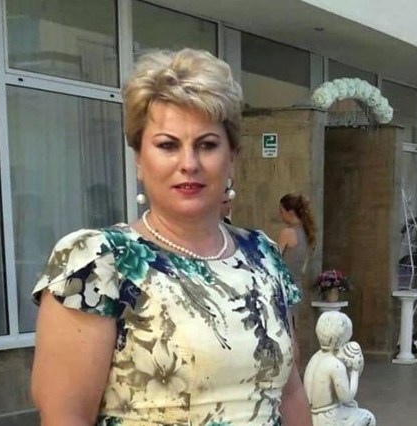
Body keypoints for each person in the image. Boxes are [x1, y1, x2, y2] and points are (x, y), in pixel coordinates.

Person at [30, 49, 312, 425]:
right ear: (139, 158)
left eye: (207, 145)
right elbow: (65, 417)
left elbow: (290, 392)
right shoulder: (97, 262)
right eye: (168, 145)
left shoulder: (263, 255)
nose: (189, 163)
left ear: (232, 157)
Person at [303, 311, 376, 426]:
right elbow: (347, 397)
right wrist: (355, 371)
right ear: (340, 339)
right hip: (328, 418)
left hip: (310, 414)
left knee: (351, 406)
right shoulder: (335, 364)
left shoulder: (316, 357)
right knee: (368, 418)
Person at [278, 193, 316, 294]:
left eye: (282, 212)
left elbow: (274, 261)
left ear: (290, 212)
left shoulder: (288, 232)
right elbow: (303, 269)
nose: (280, 216)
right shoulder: (308, 233)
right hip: (297, 288)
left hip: (285, 288)